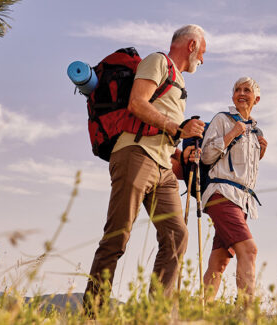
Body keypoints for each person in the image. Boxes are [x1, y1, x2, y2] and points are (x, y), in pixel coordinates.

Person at [84, 24, 208, 307]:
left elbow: (162, 127)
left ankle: (156, 313)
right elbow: (137, 104)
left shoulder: (179, 82)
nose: (202, 59)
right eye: (202, 52)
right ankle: (92, 314)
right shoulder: (158, 62)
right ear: (191, 45)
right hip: (135, 154)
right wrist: (179, 128)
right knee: (117, 236)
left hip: (163, 167)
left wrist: (181, 154)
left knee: (176, 236)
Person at [198, 77, 267, 302]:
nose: (241, 93)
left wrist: (260, 153)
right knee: (249, 249)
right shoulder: (222, 120)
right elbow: (206, 157)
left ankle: (201, 310)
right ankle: (247, 312)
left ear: (256, 99)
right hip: (221, 195)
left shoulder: (256, 132)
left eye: (247, 90)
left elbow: (243, 171)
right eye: (237, 89)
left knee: (220, 261)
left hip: (242, 201)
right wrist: (231, 134)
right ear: (232, 96)